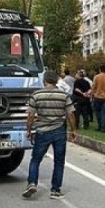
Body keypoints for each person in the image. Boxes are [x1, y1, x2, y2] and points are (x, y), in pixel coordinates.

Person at [23, 70, 76, 199]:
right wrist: (74, 130)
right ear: (57, 81)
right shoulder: (64, 95)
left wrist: (29, 130)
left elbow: (30, 115)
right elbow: (70, 114)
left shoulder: (36, 95)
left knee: (35, 159)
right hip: (59, 131)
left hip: (42, 131)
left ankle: (32, 183)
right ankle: (55, 190)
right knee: (59, 161)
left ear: (44, 81)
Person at [91, 65, 105, 132]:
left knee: (98, 113)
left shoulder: (96, 77)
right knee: (104, 113)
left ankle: (100, 126)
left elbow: (93, 87)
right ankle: (103, 127)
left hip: (97, 97)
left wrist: (92, 95)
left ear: (100, 70)